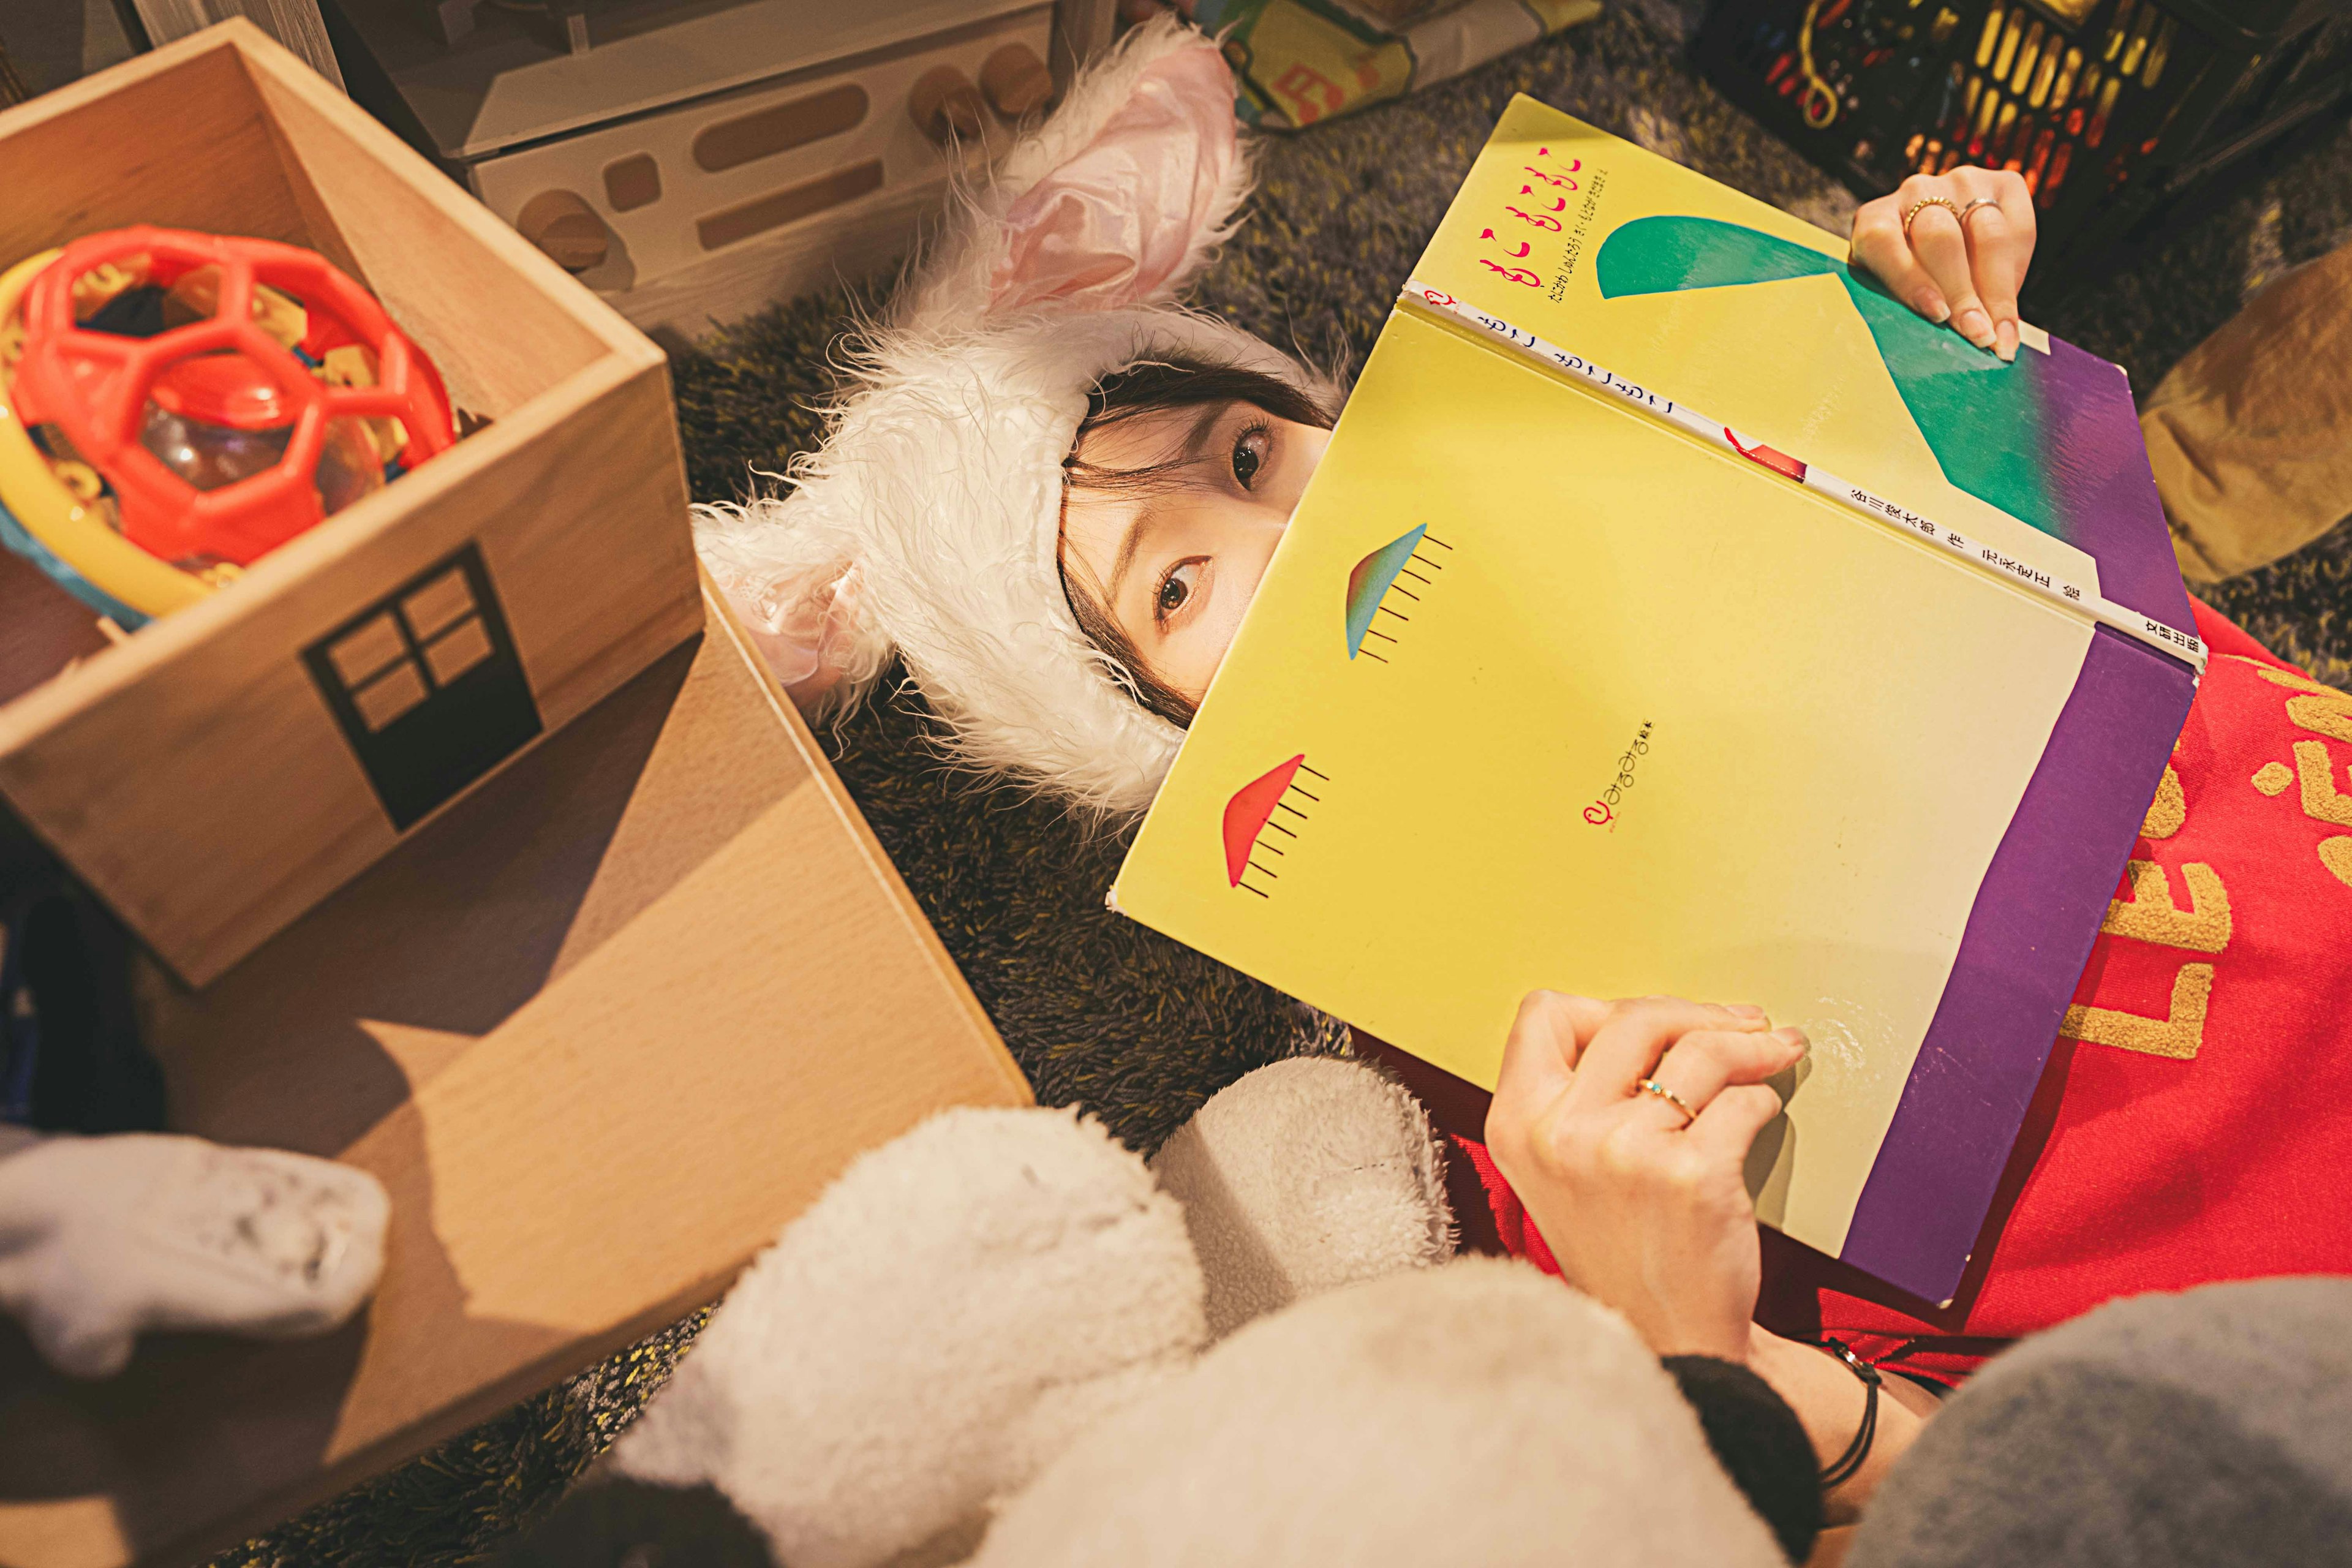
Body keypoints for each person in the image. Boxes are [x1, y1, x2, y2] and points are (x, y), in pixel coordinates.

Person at [699, 10, 2352, 1509]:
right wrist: (1733, 1371)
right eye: (1179, 587)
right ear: (1165, 739)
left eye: (1255, 453)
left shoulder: (1719, 516)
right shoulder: (1529, 1093)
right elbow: (2038, 1509)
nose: (1300, 545)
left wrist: (1913, 365)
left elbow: (2178, 645)